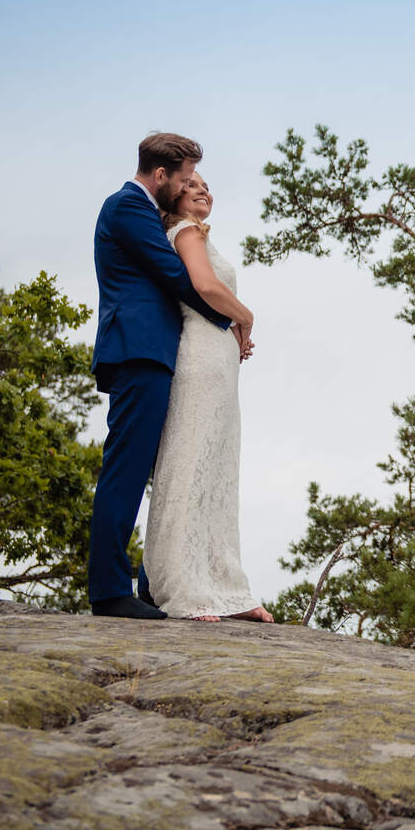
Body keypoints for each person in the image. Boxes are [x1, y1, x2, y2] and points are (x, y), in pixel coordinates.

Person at [87, 133, 232, 619]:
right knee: (125, 471)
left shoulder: (146, 210)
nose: (189, 185)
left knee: (165, 472)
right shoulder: (128, 207)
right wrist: (229, 323)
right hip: (138, 352)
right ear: (160, 175)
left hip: (159, 353)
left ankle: (154, 583)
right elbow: (176, 275)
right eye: (184, 177)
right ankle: (109, 591)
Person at [143, 173, 273, 623]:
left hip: (219, 358)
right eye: (192, 183)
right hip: (199, 354)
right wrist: (247, 318)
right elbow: (206, 287)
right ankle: (184, 587)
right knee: (192, 460)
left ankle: (225, 588)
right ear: (173, 192)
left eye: (208, 185)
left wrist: (234, 330)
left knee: (217, 467)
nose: (203, 190)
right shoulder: (185, 231)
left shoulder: (197, 233)